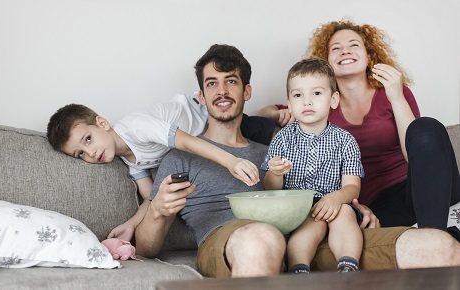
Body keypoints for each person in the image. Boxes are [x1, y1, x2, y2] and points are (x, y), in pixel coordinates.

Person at [135, 43, 460, 278]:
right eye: (211, 84)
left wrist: (356, 205)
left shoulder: (275, 147)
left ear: (247, 92)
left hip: (313, 238)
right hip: (236, 239)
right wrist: (159, 211)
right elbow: (147, 248)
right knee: (263, 237)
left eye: (230, 81)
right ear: (201, 96)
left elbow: (331, 183)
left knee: (439, 244)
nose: (221, 91)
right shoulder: (182, 156)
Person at [261, 20, 460, 240]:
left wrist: (396, 96)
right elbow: (264, 114)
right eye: (335, 48)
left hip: (418, 187)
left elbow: (414, 152)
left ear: (369, 55)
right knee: (357, 224)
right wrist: (274, 113)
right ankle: (435, 238)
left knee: (427, 127)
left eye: (354, 45)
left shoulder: (393, 92)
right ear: (326, 61)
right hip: (374, 203)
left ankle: (435, 239)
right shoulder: (317, 103)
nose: (345, 50)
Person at [46, 95, 266, 242]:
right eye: (80, 154)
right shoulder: (131, 162)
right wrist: (130, 225)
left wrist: (231, 161)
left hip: (204, 112)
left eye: (88, 140)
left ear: (102, 123)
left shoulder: (136, 127)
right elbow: (152, 198)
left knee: (258, 127)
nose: (91, 153)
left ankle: (270, 112)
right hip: (206, 133)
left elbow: (186, 142)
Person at [263, 58, 364, 273]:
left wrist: (336, 198)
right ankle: (299, 268)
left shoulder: (345, 140)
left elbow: (352, 187)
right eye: (298, 95)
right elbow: (270, 189)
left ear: (334, 99)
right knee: (310, 222)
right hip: (297, 207)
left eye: (316, 94)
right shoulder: (282, 139)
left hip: (334, 202)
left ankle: (348, 266)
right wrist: (275, 172)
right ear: (289, 103)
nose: (307, 102)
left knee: (345, 213)